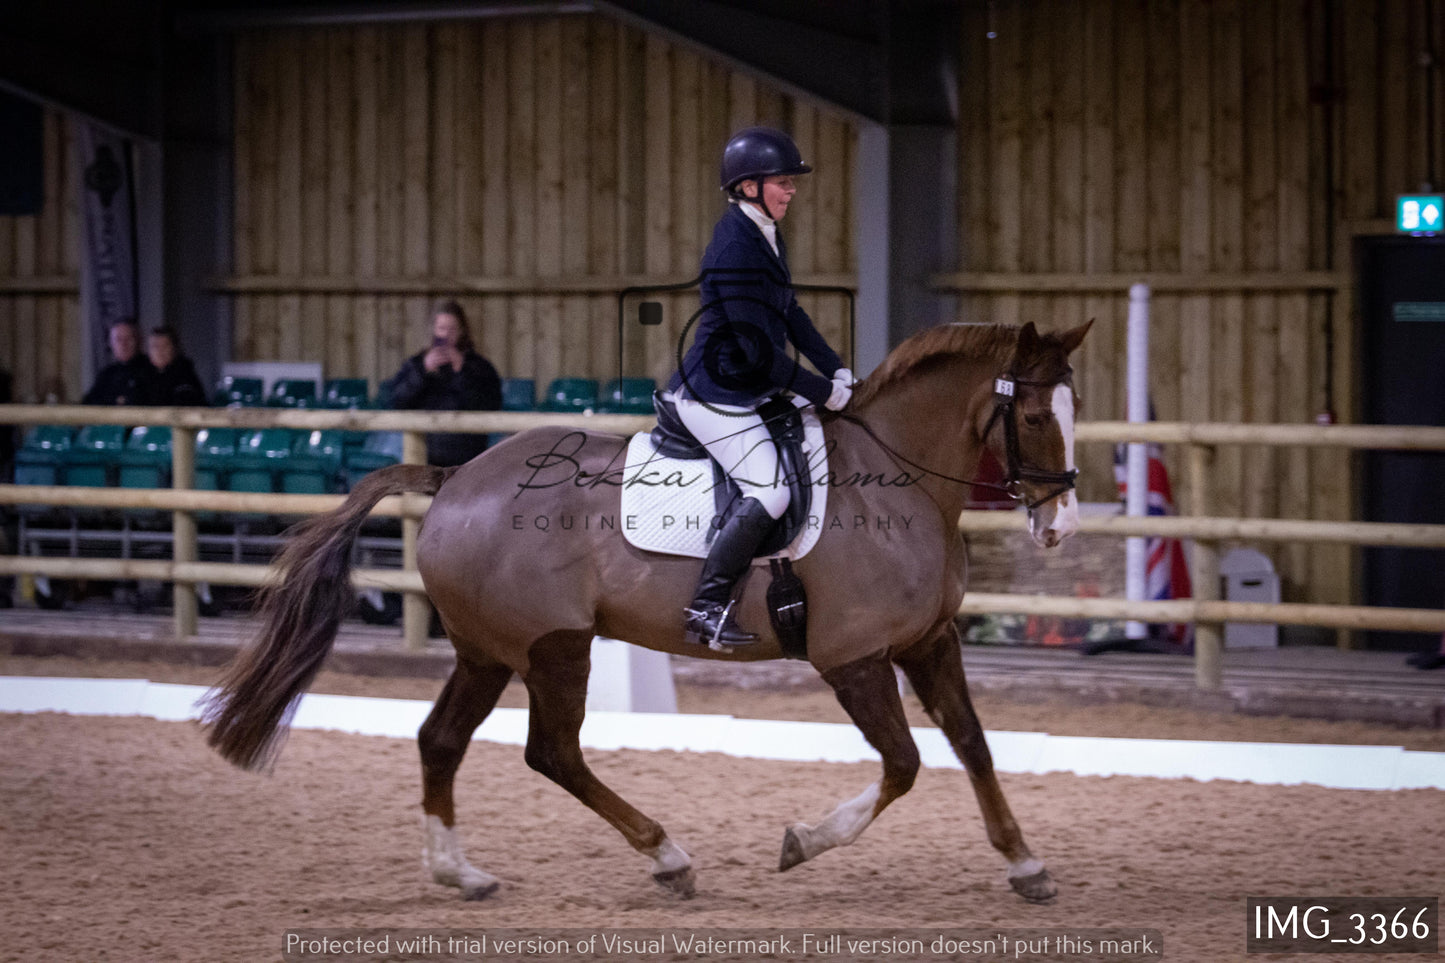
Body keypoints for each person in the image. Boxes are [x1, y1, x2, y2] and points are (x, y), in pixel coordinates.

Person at [664, 126, 854, 647]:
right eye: (782, 182)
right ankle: (707, 606)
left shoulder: (765, 233)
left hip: (752, 386)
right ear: (750, 187)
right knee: (770, 492)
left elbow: (789, 312)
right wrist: (819, 391)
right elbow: (756, 351)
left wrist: (835, 367)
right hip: (716, 393)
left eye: (792, 182)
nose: (791, 190)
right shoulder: (733, 247)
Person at [387, 300, 502, 467]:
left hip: (468, 458)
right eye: (442, 329)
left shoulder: (480, 367)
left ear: (462, 331)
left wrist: (461, 371)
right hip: (423, 456)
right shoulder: (416, 364)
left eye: (452, 329)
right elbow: (396, 401)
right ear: (433, 330)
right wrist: (423, 372)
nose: (446, 335)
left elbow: (490, 405)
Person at [83, 318, 156, 406]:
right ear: (110, 343)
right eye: (118, 339)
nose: (123, 344)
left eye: (129, 338)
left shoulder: (152, 370)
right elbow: (89, 402)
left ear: (139, 340)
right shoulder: (107, 374)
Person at [146, 326, 206, 406]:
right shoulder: (140, 376)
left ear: (174, 348)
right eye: (155, 346)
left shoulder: (185, 375)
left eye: (165, 346)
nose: (159, 351)